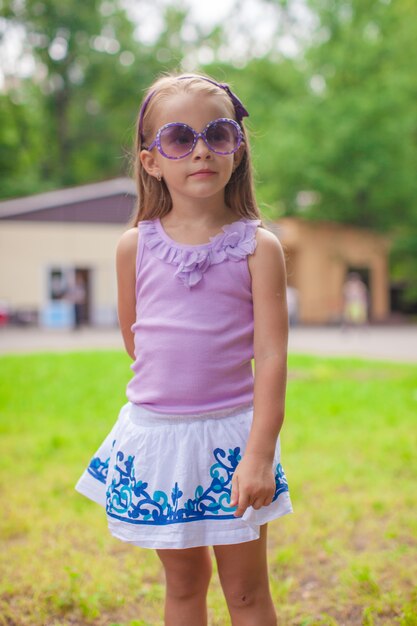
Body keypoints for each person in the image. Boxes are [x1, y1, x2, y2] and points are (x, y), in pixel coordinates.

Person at [75, 72, 293, 626]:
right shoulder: (134, 247)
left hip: (230, 440)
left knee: (245, 592)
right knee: (184, 584)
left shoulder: (257, 247)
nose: (200, 150)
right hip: (160, 441)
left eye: (217, 134)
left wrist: (260, 451)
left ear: (237, 149)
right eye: (179, 138)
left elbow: (270, 356)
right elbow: (136, 337)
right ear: (151, 160)